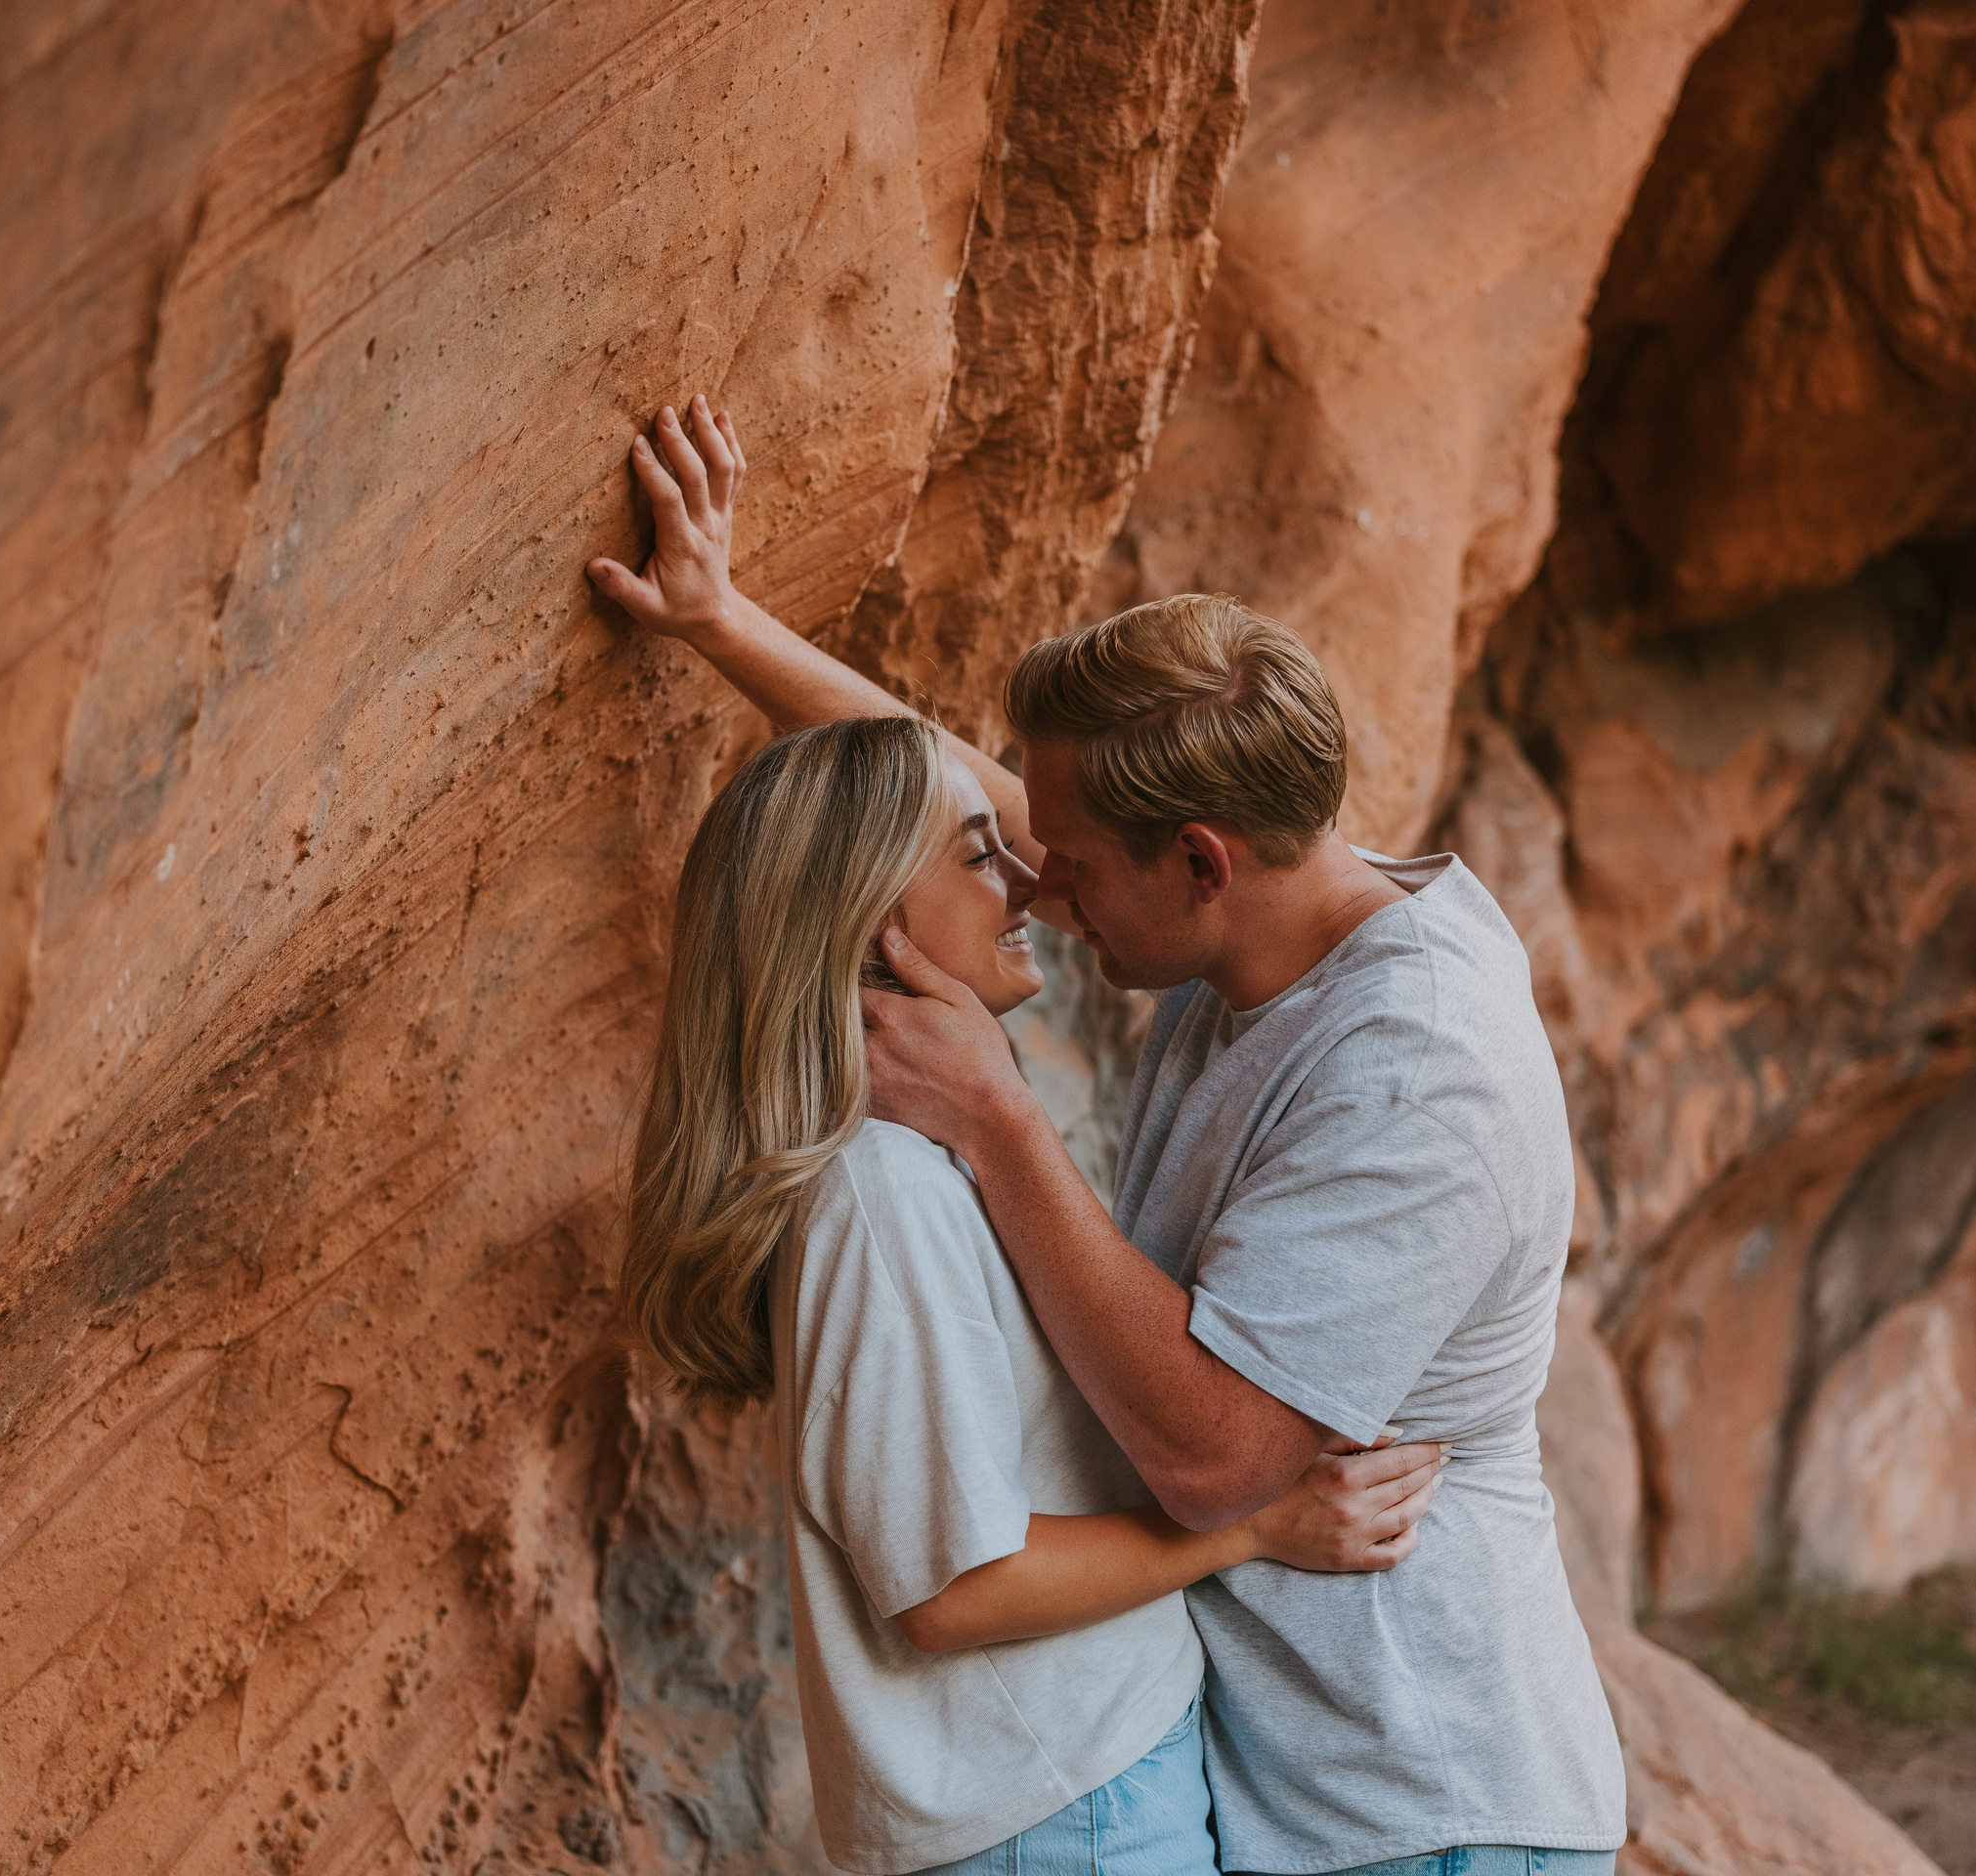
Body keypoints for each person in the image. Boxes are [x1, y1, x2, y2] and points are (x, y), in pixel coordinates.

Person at [590, 397, 1626, 1876]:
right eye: (1012, 858)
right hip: (1264, 1781)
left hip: (1413, 1800)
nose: (1033, 886)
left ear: (1199, 863)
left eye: (1064, 869)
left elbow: (1221, 1465)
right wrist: (721, 623)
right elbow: (934, 814)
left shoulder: (1418, 1072)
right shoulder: (1258, 923)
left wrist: (1002, 1121)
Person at [618, 710, 1444, 1875]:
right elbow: (952, 1590)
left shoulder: (927, 1162)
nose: (1025, 881)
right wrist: (1254, 1524)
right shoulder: (879, 1194)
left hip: (1072, 1791)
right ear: (868, 922)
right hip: (1053, 1820)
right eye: (975, 854)